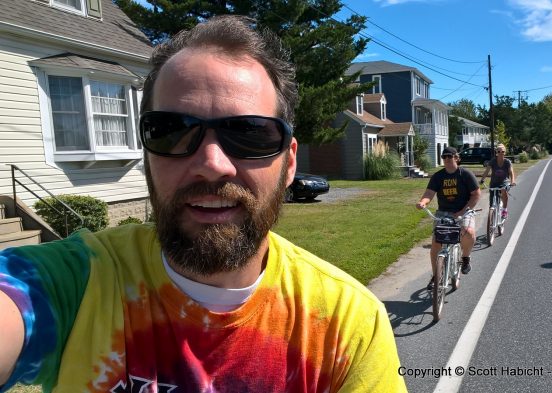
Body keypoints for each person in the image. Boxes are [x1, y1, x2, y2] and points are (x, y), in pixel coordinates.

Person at [0, 15, 406, 393]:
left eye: (250, 133)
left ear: (289, 163)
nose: (212, 165)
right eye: (172, 131)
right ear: (147, 156)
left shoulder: (347, 325)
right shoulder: (80, 282)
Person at [416, 147, 481, 287]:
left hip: (463, 211)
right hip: (443, 213)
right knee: (436, 244)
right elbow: (429, 193)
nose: (446, 159)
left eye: (449, 156)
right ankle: (436, 275)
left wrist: (464, 211)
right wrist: (423, 202)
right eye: (444, 156)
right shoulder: (438, 176)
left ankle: (465, 258)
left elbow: (476, 194)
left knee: (468, 233)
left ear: (456, 158)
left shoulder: (465, 174)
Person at [479, 144, 516, 219]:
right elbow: (487, 171)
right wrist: (482, 180)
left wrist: (512, 181)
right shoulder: (493, 161)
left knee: (503, 190)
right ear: (496, 152)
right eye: (499, 151)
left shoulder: (507, 162)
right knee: (492, 203)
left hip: (504, 182)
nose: (500, 153)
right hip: (494, 183)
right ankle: (492, 216)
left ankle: (504, 210)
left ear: (505, 152)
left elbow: (511, 173)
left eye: (502, 151)